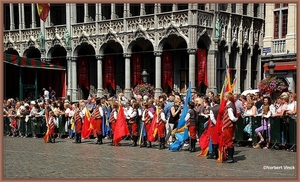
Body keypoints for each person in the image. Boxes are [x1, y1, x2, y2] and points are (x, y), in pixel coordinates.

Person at [221, 92, 238, 163]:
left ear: (227, 98)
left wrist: (236, 119)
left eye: (224, 97)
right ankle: (228, 155)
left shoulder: (229, 106)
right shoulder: (229, 105)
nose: (223, 98)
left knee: (229, 142)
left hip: (228, 126)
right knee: (227, 141)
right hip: (226, 125)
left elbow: (232, 117)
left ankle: (230, 157)